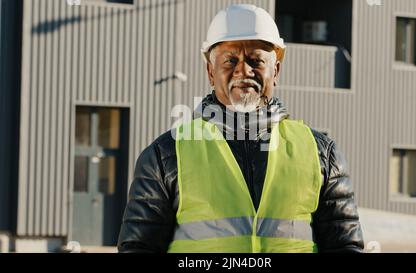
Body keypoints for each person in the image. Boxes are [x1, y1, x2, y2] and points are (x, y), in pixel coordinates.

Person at [117, 4, 364, 253]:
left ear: (275, 70)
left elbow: (345, 246)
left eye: (256, 60)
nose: (244, 70)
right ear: (210, 72)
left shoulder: (322, 155)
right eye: (230, 60)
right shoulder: (165, 157)